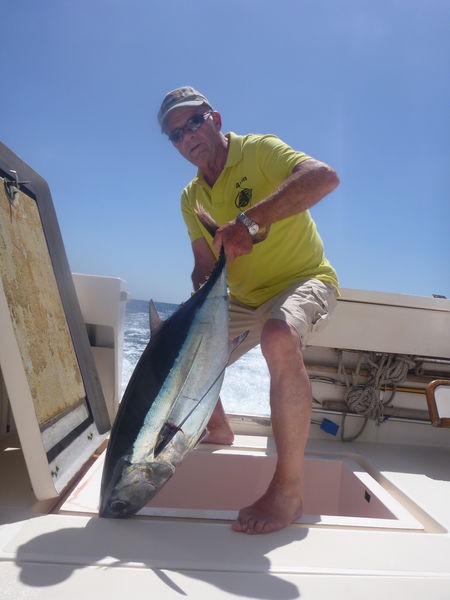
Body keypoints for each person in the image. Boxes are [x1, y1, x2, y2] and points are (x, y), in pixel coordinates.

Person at [157, 86, 340, 535]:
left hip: (303, 279)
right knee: (175, 350)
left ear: (215, 119)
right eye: (175, 134)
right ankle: (217, 427)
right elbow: (204, 266)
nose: (187, 137)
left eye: (194, 122)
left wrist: (248, 222)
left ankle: (288, 491)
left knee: (278, 337)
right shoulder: (190, 198)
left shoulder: (258, 151)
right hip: (241, 298)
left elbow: (323, 178)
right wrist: (194, 305)